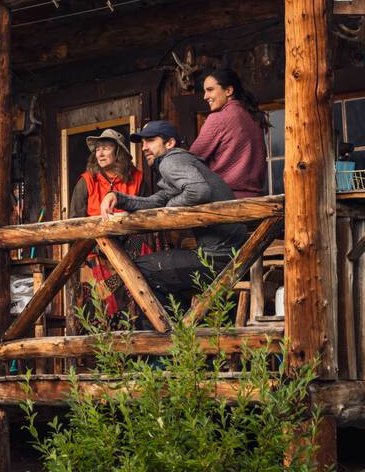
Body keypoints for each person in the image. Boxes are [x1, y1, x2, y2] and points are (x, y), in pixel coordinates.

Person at [100, 120, 246, 308]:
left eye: (150, 140)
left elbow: (198, 191)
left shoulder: (171, 161)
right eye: (142, 143)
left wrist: (169, 209)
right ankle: (179, 327)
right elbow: (155, 202)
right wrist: (117, 197)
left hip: (217, 258)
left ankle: (163, 332)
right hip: (230, 256)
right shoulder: (182, 162)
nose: (144, 148)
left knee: (136, 268)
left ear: (170, 143)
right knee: (153, 269)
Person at [68, 128, 154, 319]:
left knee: (138, 291)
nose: (99, 153)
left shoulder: (137, 179)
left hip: (128, 248)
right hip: (95, 250)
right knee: (96, 306)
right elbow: (75, 222)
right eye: (97, 149)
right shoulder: (87, 181)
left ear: (118, 152)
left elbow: (147, 215)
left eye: (106, 148)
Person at [188, 68, 268, 199]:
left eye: (210, 90)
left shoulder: (218, 119)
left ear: (229, 91)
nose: (205, 96)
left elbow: (190, 162)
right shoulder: (254, 119)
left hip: (226, 202)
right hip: (255, 201)